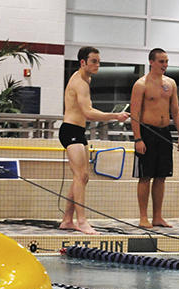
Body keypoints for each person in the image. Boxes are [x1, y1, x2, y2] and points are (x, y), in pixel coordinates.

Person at [59, 46, 130, 234]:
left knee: (83, 177)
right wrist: (115, 116)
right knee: (80, 176)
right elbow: (89, 113)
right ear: (83, 62)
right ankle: (81, 221)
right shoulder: (79, 83)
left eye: (98, 61)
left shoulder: (86, 79)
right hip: (70, 131)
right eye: (94, 61)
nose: (97, 65)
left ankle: (67, 219)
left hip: (78, 131)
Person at [130, 48, 179, 228]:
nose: (165, 65)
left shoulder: (170, 84)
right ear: (151, 62)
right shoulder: (141, 84)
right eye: (161, 61)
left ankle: (158, 216)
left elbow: (176, 111)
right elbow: (134, 113)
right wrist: (138, 139)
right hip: (147, 133)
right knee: (146, 176)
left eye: (167, 61)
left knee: (161, 176)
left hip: (164, 133)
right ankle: (143, 217)